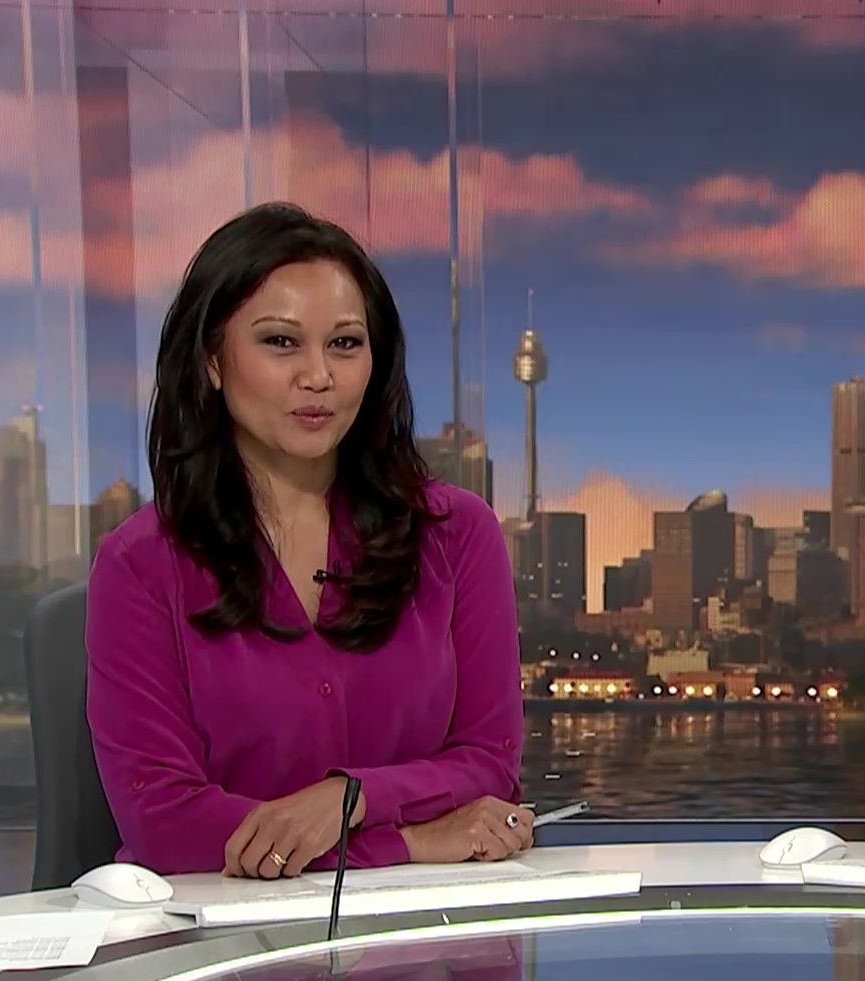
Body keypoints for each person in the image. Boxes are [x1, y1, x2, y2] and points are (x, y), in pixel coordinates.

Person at [86, 201, 533, 879]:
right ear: (212, 361)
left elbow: (489, 765)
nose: (319, 376)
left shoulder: (457, 534)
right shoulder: (140, 565)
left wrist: (352, 798)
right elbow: (164, 823)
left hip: (430, 922)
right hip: (220, 926)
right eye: (280, 341)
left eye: (345, 344)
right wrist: (408, 840)